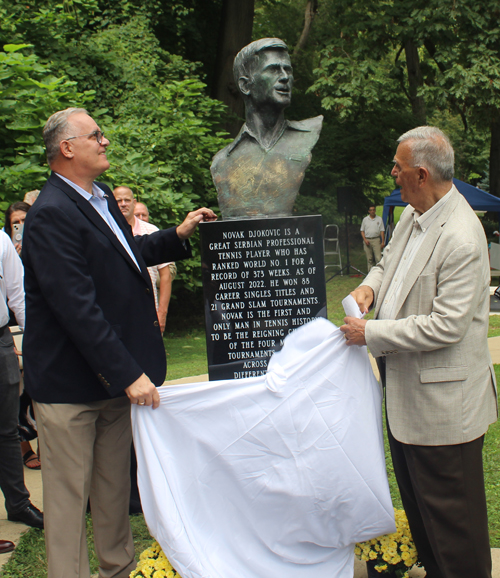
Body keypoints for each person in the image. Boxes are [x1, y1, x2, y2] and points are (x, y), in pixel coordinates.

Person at [22, 107, 216, 578]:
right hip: (72, 387)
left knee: (114, 493)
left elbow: (125, 259)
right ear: (67, 148)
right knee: (70, 504)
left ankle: (119, 571)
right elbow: (76, 308)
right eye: (96, 135)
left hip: (112, 382)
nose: (105, 142)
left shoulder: (101, 196)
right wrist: (130, 374)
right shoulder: (49, 214)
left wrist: (177, 235)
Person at [340, 126, 497, 578]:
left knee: (456, 536)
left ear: (422, 173)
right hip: (410, 404)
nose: (392, 173)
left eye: (398, 167)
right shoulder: (413, 214)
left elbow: (447, 326)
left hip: (446, 412)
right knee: (428, 528)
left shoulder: (464, 237)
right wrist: (369, 287)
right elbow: (388, 263)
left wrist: (370, 332)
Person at [211, 38, 323, 220]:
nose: (285, 77)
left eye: (288, 69)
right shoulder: (222, 162)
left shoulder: (310, 134)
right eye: (273, 70)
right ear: (246, 85)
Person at [0, 228, 43, 529]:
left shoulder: (0, 241)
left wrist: (36, 346)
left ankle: (18, 503)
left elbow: (18, 295)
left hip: (1, 340)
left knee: (6, 430)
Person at [4, 200, 40, 470]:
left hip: (34, 322)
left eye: (25, 221)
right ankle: (24, 448)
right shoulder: (6, 245)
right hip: (12, 326)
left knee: (32, 391)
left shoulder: (44, 243)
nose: (21, 228)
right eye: (16, 223)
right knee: (15, 396)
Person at [113, 186, 173, 333]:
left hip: (149, 310)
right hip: (116, 313)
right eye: (118, 200)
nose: (123, 204)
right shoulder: (105, 231)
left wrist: (162, 313)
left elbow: (166, 275)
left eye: (127, 200)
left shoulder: (151, 231)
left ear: (134, 203)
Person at [360, 204, 384, 271]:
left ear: (375, 210)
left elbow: (382, 230)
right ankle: (370, 274)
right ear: (369, 211)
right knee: (369, 259)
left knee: (378, 258)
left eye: (373, 210)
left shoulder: (379, 219)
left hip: (376, 239)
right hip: (367, 240)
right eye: (371, 210)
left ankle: (379, 272)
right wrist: (365, 240)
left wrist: (382, 242)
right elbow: (362, 230)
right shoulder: (365, 219)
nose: (372, 211)